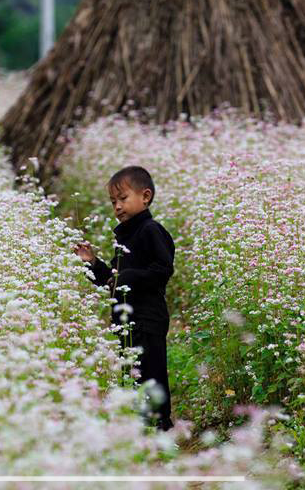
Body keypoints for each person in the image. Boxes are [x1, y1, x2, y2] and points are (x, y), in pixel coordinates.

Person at [73, 166, 176, 431]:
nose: (117, 206)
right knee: (133, 373)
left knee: (152, 374)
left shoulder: (151, 230)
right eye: (113, 202)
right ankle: (140, 427)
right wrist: (92, 263)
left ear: (145, 196)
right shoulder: (126, 235)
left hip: (148, 317)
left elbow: (162, 270)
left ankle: (161, 427)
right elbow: (112, 280)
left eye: (123, 199)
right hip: (127, 320)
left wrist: (128, 276)